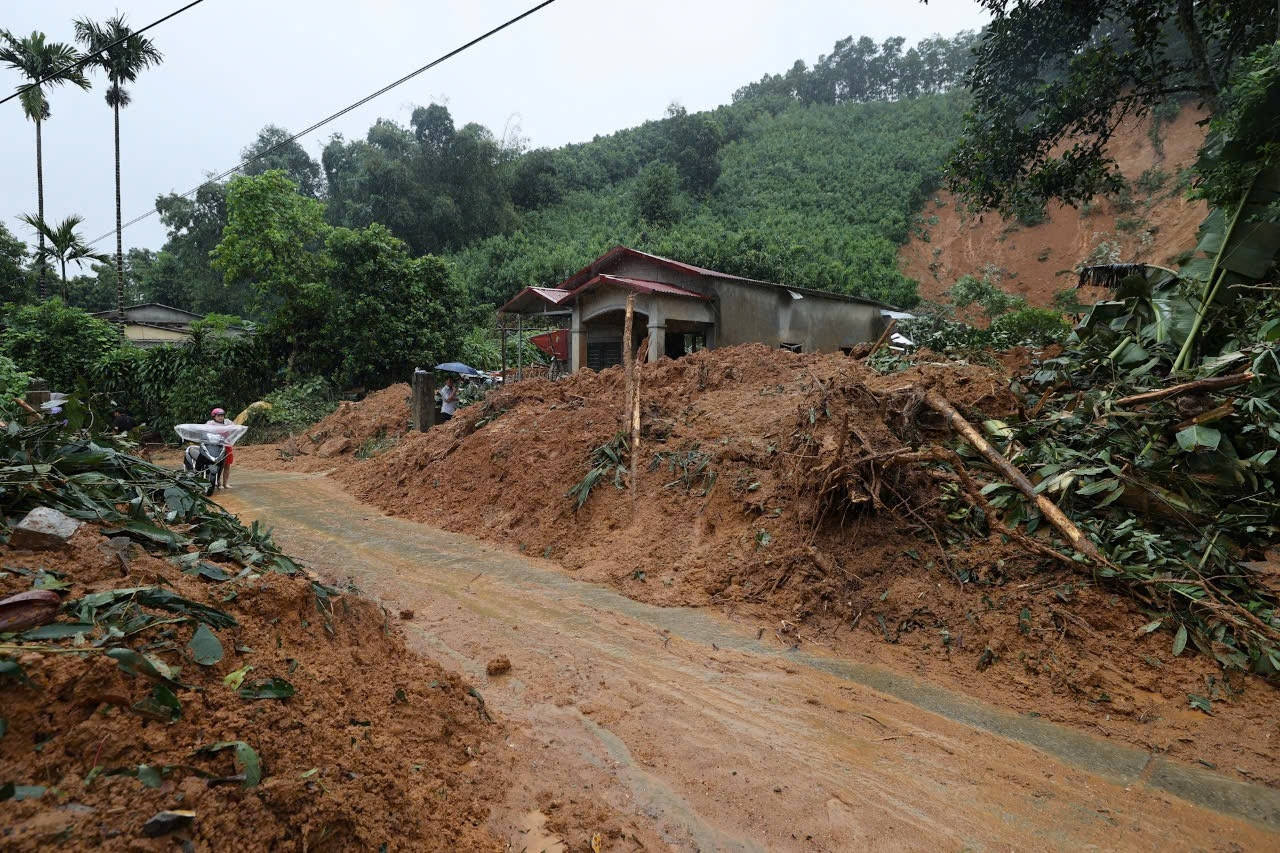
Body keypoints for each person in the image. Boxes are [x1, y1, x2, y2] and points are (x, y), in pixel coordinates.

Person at [205, 407, 234, 488]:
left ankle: (226, 483)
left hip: (227, 446)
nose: (221, 417)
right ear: (214, 416)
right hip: (215, 447)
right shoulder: (210, 424)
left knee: (227, 465)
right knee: (218, 465)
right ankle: (218, 482)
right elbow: (205, 431)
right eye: (219, 416)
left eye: (222, 415)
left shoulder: (228, 422)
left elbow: (235, 428)